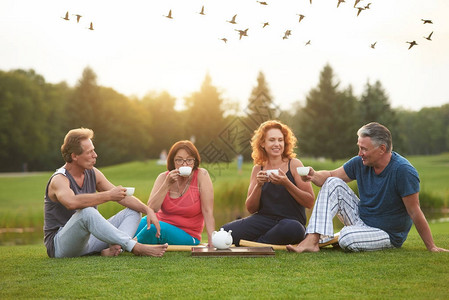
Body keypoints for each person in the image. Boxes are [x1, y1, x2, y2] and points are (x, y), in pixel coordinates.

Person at [287, 122, 448, 253]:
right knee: (332, 182)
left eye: (364, 149)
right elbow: (330, 174)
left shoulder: (403, 171)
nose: (359, 153)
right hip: (361, 219)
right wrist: (313, 175)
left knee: (346, 238)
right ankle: (312, 240)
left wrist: (431, 246)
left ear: (382, 149)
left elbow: (414, 211)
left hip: (387, 233)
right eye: (359, 147)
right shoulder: (360, 162)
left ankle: (330, 237)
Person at [44, 128, 168, 258]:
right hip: (61, 246)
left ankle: (116, 248)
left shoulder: (93, 173)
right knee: (87, 212)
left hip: (88, 240)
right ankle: (133, 246)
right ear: (74, 156)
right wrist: (108, 195)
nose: (95, 155)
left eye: (94, 150)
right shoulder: (59, 179)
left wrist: (147, 210)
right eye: (90, 152)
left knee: (133, 211)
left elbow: (122, 197)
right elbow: (71, 202)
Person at [221, 120, 315, 246]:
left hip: (290, 222)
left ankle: (256, 243)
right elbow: (251, 209)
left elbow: (309, 202)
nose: (277, 144)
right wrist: (258, 186)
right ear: (263, 143)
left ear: (285, 142)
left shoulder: (294, 164)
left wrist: (286, 183)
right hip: (263, 220)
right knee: (225, 231)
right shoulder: (258, 169)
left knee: (293, 229)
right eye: (272, 140)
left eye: (280, 140)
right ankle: (263, 241)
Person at [134, 140, 216, 246]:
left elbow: (207, 211)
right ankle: (117, 243)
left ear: (195, 161)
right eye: (179, 160)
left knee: (154, 228)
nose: (185, 164)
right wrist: (167, 184)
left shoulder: (202, 175)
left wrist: (211, 241)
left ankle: (126, 245)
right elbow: (152, 209)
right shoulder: (163, 177)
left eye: (189, 160)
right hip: (160, 222)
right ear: (173, 161)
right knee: (137, 223)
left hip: (188, 234)